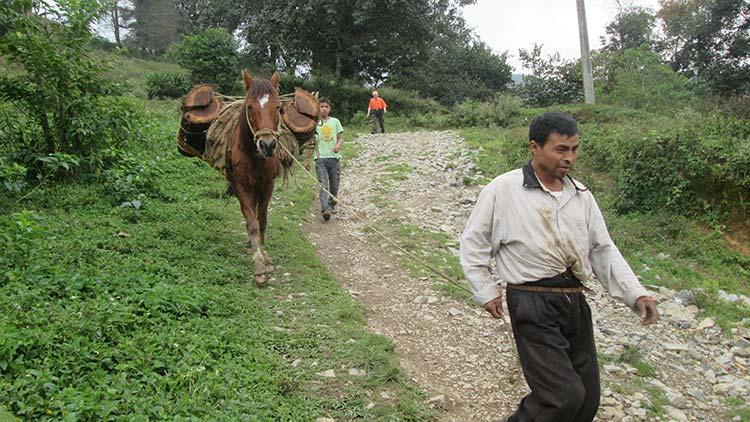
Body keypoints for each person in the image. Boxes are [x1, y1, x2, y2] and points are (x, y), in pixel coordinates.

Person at [459, 112, 659, 422]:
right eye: (561, 149)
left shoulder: (580, 195)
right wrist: (486, 290)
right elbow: (474, 243)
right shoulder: (504, 190)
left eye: (574, 149)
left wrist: (636, 294)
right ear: (534, 147)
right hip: (532, 302)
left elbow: (602, 249)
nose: (569, 158)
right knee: (561, 397)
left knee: (587, 400)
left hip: (574, 302)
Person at [314, 97, 344, 221]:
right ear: (318, 108)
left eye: (326, 106)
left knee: (334, 185)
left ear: (329, 108)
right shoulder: (314, 123)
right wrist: (306, 161)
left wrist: (337, 145)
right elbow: (310, 142)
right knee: (323, 184)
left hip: (334, 158)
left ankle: (332, 204)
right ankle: (325, 209)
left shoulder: (335, 122)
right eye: (322, 106)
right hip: (320, 158)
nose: (324, 109)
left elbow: (341, 137)